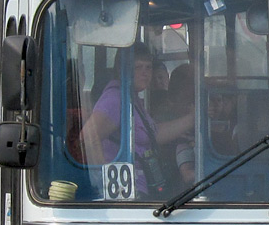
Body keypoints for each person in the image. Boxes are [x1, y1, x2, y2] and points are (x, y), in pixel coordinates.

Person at [78, 43, 193, 197]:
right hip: (126, 192)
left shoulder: (132, 98)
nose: (145, 73)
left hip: (141, 186)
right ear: (122, 70)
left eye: (148, 67)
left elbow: (155, 134)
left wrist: (194, 118)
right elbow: (88, 138)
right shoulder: (115, 99)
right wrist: (107, 180)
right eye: (138, 67)